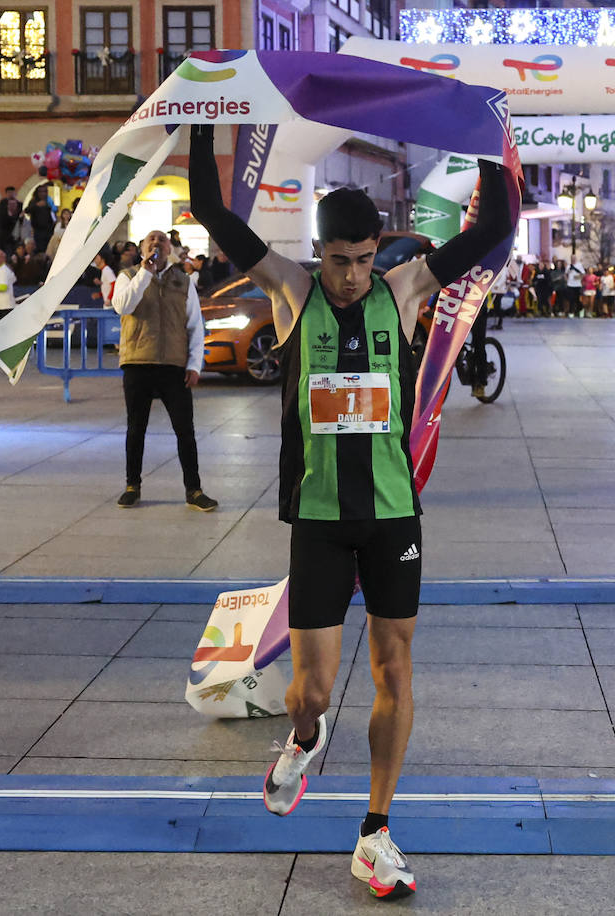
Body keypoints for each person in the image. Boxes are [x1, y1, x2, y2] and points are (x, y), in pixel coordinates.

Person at [188, 123, 513, 901]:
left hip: (394, 517)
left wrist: (484, 131)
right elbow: (211, 209)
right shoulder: (292, 290)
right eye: (340, 261)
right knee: (314, 690)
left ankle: (376, 831)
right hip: (323, 521)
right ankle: (304, 737)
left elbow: (495, 228)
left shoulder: (403, 291)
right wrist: (207, 114)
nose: (352, 276)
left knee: (395, 670)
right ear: (319, 251)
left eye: (366, 261)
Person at [108, 230, 216, 512]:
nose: (156, 243)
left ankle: (194, 490)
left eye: (162, 240)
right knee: (136, 428)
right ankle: (132, 485)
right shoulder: (128, 276)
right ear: (142, 248)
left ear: (170, 249)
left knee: (185, 431)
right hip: (138, 362)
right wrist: (145, 274)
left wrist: (194, 364)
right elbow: (122, 306)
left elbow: (195, 325)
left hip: (173, 365)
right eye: (150, 240)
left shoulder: (183, 280)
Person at [27, 185, 56, 252]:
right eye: (40, 192)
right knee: (40, 248)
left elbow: (54, 210)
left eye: (44, 191)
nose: (43, 193)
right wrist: (36, 205)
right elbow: (27, 210)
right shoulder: (33, 201)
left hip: (49, 230)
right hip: (38, 230)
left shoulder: (49, 200)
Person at [0, 186, 23, 253]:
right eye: (9, 193)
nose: (10, 194)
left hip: (14, 232)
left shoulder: (20, 205)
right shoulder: (2, 204)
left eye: (12, 192)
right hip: (3, 231)